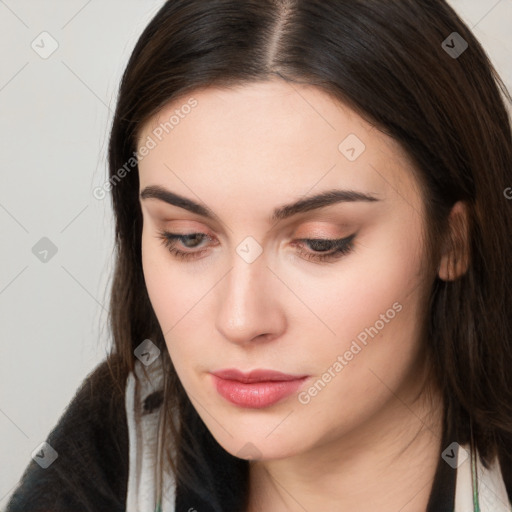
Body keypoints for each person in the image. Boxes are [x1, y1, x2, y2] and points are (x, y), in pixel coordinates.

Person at [7, 0, 512, 511]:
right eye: (187, 237)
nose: (241, 320)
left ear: (455, 239)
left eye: (320, 242)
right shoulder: (108, 452)